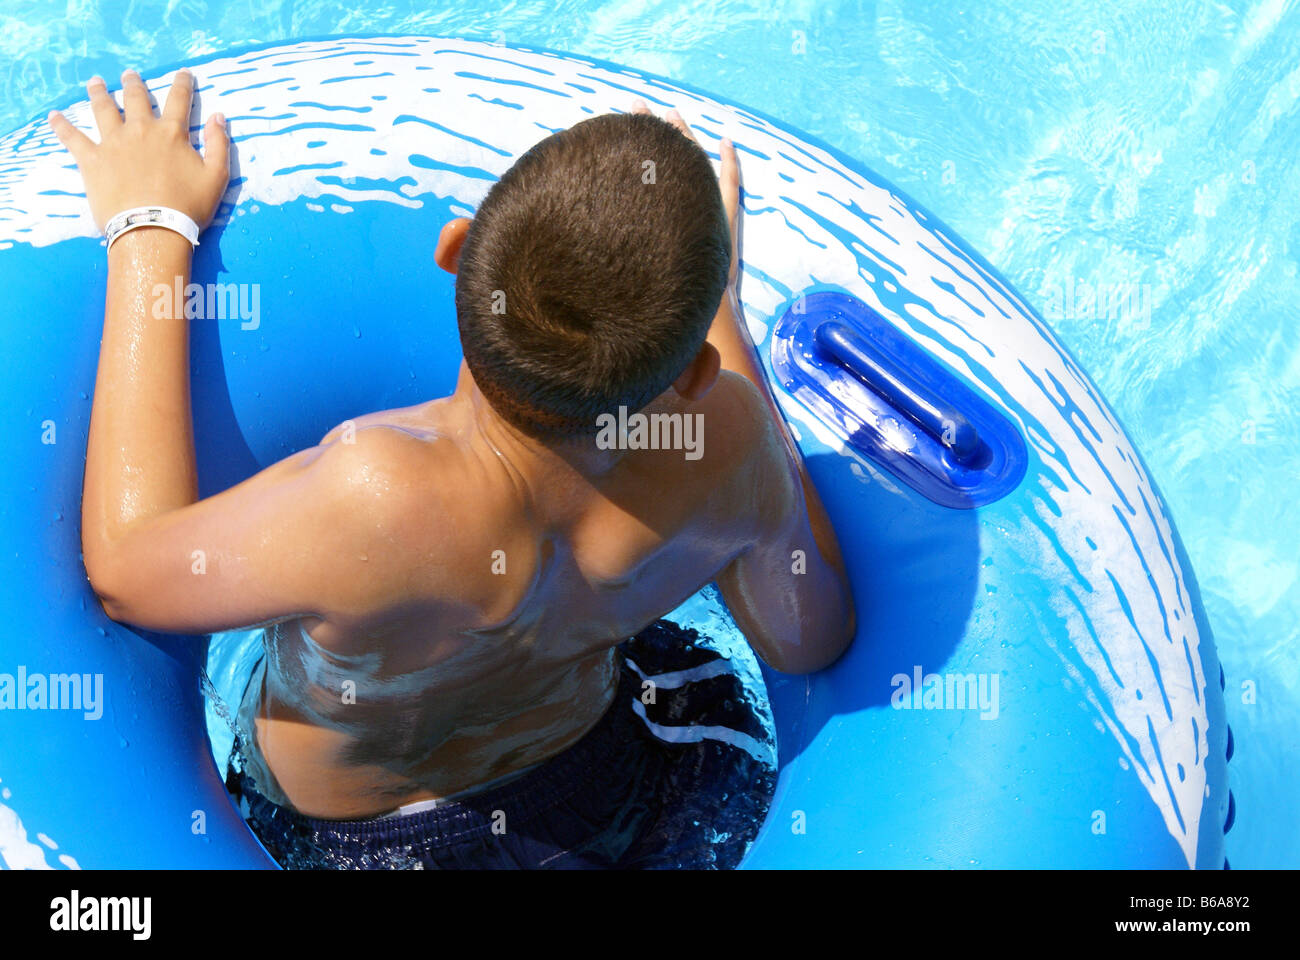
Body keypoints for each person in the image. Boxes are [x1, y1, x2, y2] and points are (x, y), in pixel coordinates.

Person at [50, 69, 854, 869]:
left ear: (456, 252)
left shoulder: (375, 496)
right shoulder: (727, 442)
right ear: (689, 375)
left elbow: (128, 571)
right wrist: (716, 308)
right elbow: (809, 642)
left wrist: (148, 231)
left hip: (364, 844)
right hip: (623, 789)